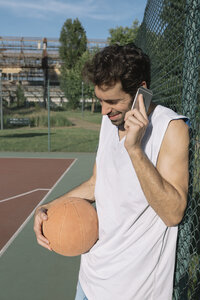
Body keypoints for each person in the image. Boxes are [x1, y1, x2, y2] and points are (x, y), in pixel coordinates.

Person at [34, 44, 189, 300]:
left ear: (141, 90)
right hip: (90, 278)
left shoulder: (170, 128)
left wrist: (135, 150)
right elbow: (97, 183)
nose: (104, 111)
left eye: (113, 101)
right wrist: (48, 208)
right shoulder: (110, 121)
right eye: (101, 101)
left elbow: (173, 213)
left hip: (132, 291)